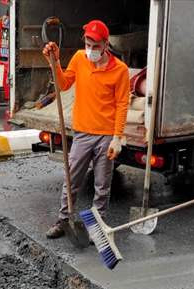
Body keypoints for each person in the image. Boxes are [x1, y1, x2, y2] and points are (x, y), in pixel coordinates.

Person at [42, 20, 130, 239]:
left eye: (95, 46)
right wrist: (54, 63)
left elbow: (122, 105)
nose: (90, 50)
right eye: (88, 44)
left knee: (102, 185)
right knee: (71, 180)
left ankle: (97, 226)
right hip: (82, 132)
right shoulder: (79, 59)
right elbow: (63, 85)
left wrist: (117, 137)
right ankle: (63, 220)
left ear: (106, 45)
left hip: (106, 135)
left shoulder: (120, 70)